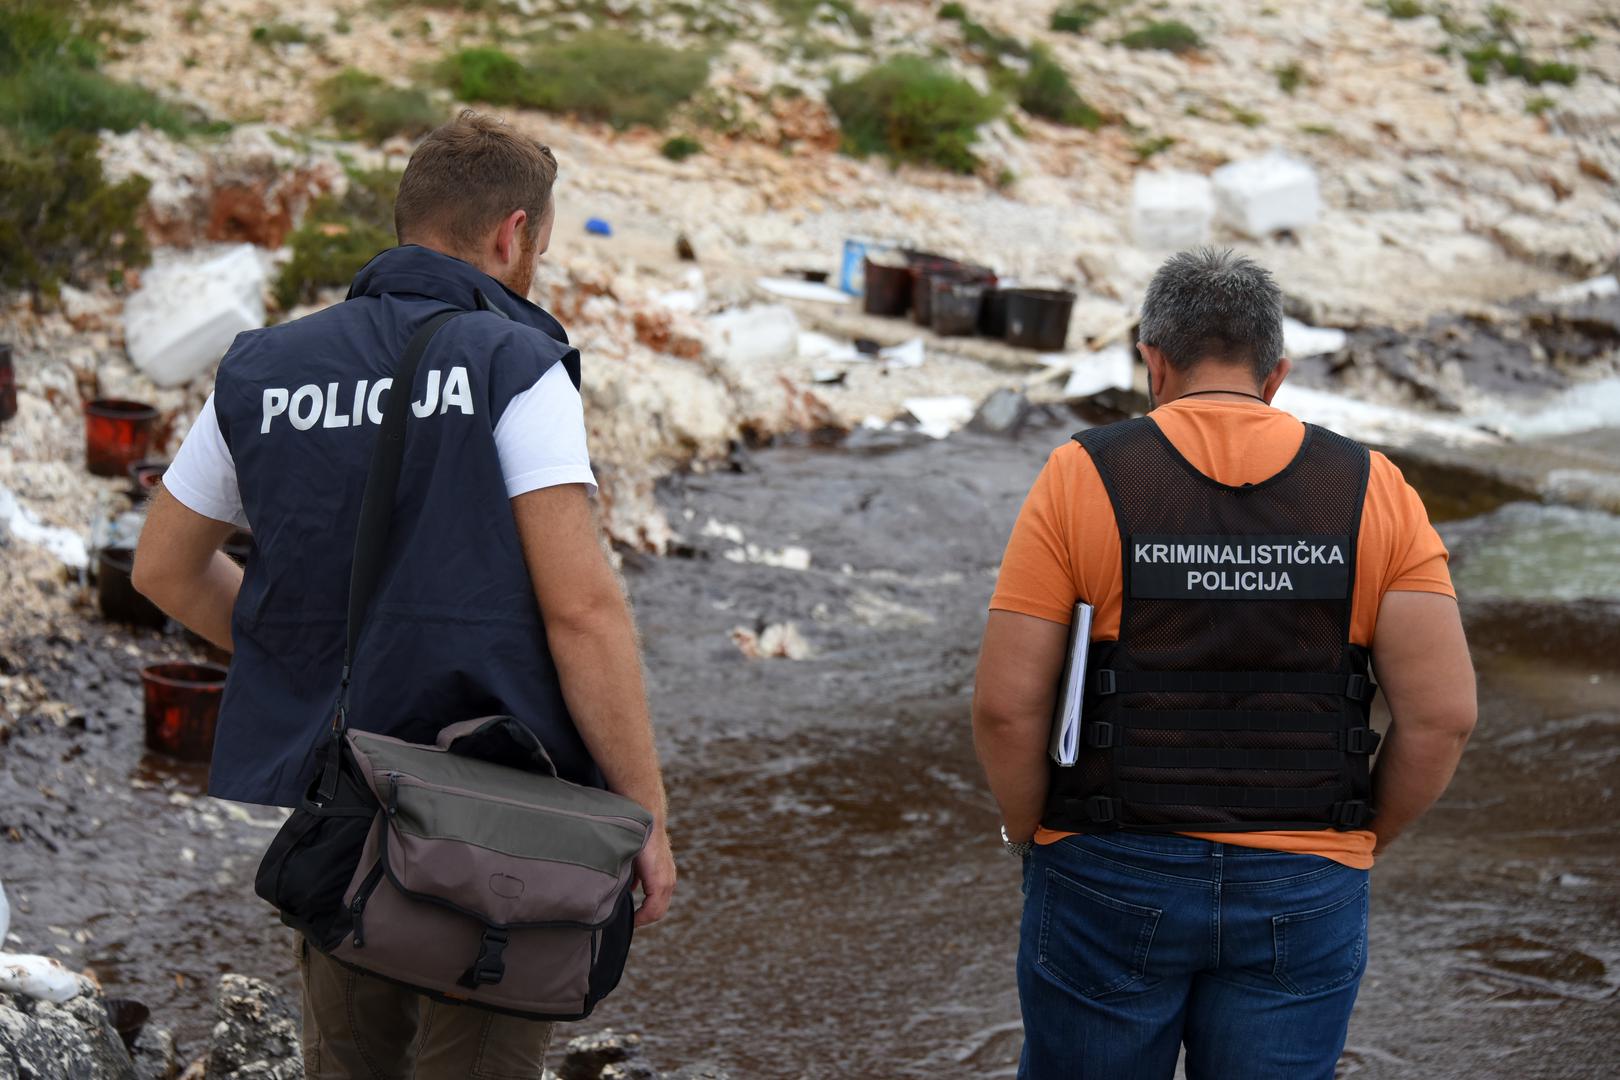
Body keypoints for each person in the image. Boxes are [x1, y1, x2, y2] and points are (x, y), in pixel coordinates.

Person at [133, 110, 676, 1079]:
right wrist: (646, 813)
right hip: (503, 833)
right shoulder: (516, 363)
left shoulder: (265, 367)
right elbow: (582, 611)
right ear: (514, 233)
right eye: (540, 247)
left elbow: (163, 570)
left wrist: (309, 663)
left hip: (344, 808)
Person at [972, 248, 1476, 1079]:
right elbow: (1444, 716)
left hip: (1108, 865)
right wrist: (1352, 843)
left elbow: (1005, 708)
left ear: (1153, 362)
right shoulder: (1374, 488)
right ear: (1275, 374)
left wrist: (1030, 835)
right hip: (1305, 875)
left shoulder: (1081, 474)